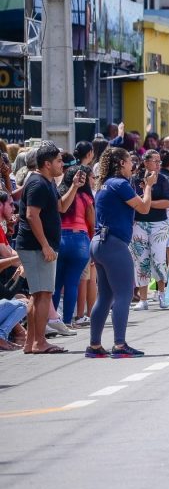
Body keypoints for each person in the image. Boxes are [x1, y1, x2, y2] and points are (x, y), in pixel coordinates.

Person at [86, 148, 157, 358]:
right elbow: (144, 208)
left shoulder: (104, 185)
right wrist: (149, 188)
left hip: (99, 242)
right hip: (114, 245)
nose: (132, 165)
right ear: (120, 163)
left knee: (105, 296)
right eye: (129, 161)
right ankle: (119, 345)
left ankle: (95, 345)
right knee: (124, 294)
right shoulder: (120, 184)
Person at [16, 144, 70, 353]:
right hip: (36, 247)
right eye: (58, 160)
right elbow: (31, 215)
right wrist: (45, 245)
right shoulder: (38, 183)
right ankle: (40, 342)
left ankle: (32, 343)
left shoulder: (47, 182)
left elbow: (61, 207)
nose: (62, 164)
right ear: (47, 164)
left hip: (37, 246)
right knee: (44, 294)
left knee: (37, 294)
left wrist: (73, 186)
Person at [130, 150, 169, 310]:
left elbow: (167, 203)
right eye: (155, 161)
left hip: (159, 224)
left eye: (159, 161)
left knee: (159, 259)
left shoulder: (164, 180)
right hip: (139, 223)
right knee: (141, 259)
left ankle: (162, 294)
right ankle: (143, 298)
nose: (158, 164)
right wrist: (144, 203)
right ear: (145, 162)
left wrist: (146, 204)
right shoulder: (135, 179)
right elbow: (132, 201)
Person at [54, 164, 93, 331]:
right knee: (72, 283)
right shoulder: (85, 198)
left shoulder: (59, 194)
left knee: (55, 284)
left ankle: (52, 319)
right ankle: (68, 320)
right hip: (80, 240)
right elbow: (91, 222)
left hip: (59, 239)